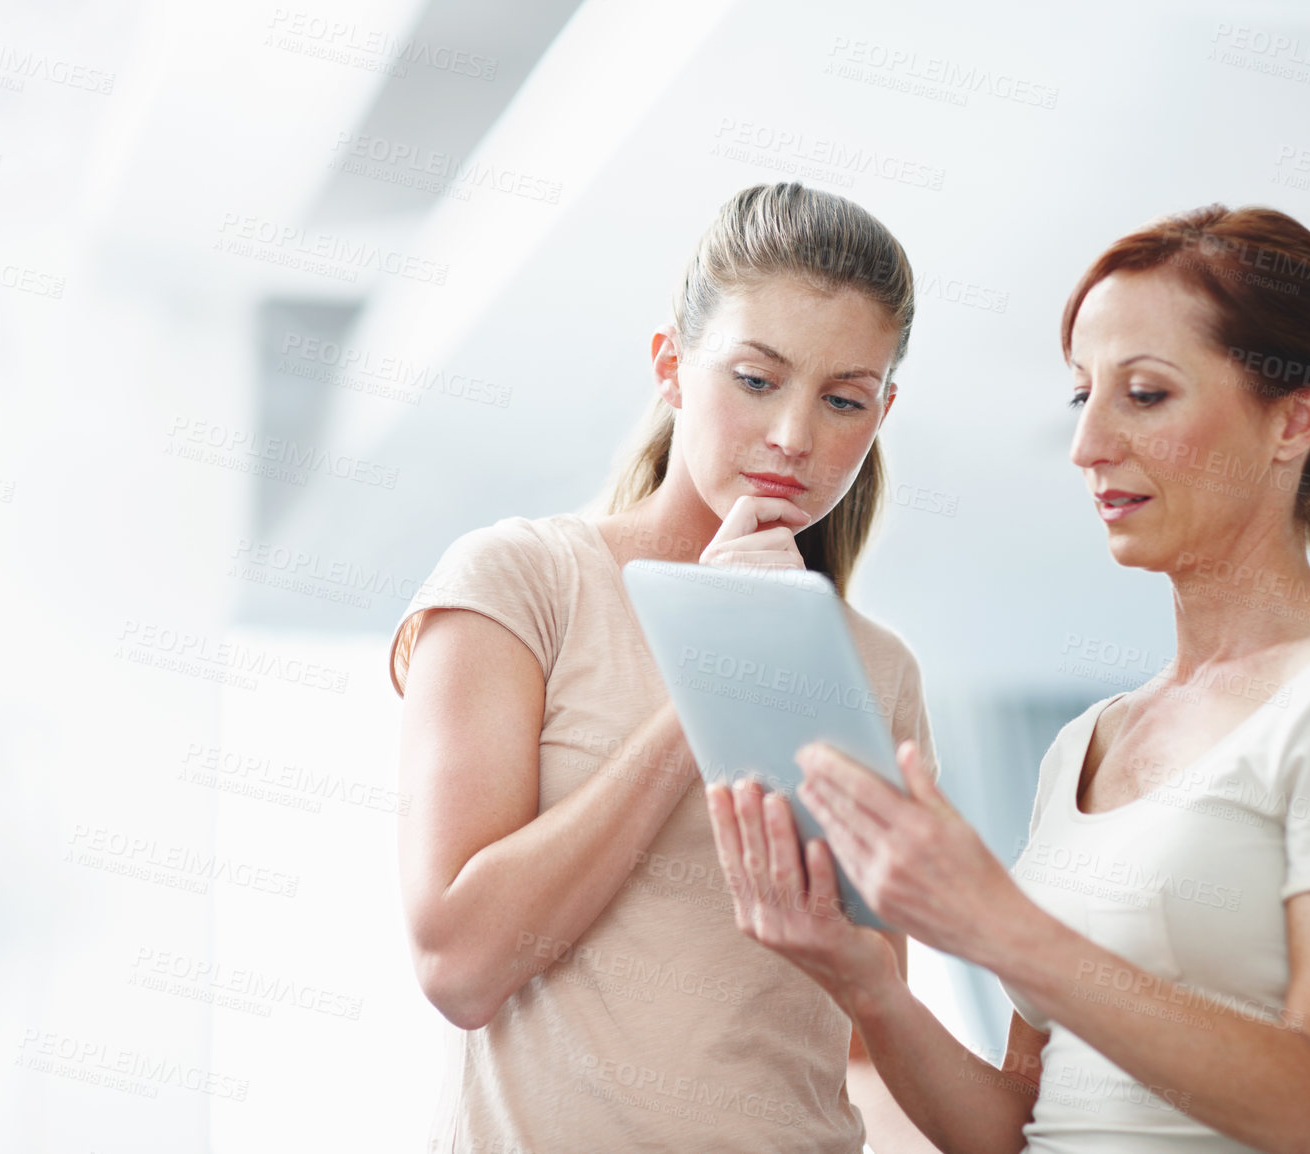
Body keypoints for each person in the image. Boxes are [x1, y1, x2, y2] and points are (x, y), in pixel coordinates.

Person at [708, 204, 1310, 1154]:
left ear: (1295, 420)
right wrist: (865, 983)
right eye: (1082, 397)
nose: (1087, 444)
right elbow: (1016, 1125)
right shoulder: (1086, 745)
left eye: (1144, 395)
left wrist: (996, 925)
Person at [387, 182, 938, 1153]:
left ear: (882, 409)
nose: (793, 437)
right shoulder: (521, 582)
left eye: (843, 399)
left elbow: (863, 1025)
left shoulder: (878, 669)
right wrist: (719, 661)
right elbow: (460, 964)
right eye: (756, 379)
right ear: (671, 366)